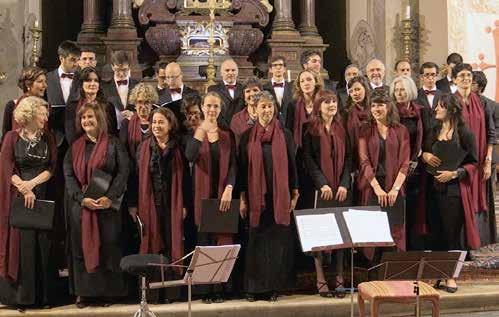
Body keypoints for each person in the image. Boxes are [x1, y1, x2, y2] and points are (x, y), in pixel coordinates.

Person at [64, 102, 129, 308]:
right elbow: (68, 175)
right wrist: (80, 198)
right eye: (83, 118)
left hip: (107, 207)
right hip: (82, 207)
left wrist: (110, 197)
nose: (86, 121)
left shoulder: (113, 143)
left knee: (108, 247)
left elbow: (123, 171)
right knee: (81, 249)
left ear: (99, 118)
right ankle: (85, 293)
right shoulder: (74, 147)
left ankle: (107, 292)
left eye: (90, 117)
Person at [239, 91, 299, 302]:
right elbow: (241, 169)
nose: (266, 110)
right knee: (255, 242)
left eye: (270, 106)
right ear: (254, 110)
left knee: (275, 244)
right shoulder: (246, 137)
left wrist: (294, 192)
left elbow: (293, 166)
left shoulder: (286, 135)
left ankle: (273, 287)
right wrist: (243, 198)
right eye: (262, 106)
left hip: (279, 197)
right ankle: (253, 288)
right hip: (256, 199)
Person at [0, 97, 57, 311]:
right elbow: (6, 167)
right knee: (21, 246)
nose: (46, 117)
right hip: (17, 195)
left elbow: (51, 167)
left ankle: (42, 297)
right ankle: (21, 297)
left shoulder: (48, 137)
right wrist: (23, 188)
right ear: (31, 114)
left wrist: (31, 185)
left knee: (41, 244)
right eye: (43, 113)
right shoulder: (11, 137)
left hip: (40, 192)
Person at [132, 107, 191, 304]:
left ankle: (172, 293)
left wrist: (185, 205)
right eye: (154, 122)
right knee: (154, 246)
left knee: (171, 244)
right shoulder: (144, 147)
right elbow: (135, 177)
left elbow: (187, 180)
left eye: (160, 122)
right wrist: (133, 205)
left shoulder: (179, 147)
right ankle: (154, 293)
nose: (156, 126)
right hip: (150, 204)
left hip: (173, 204)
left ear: (170, 125)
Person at [184, 91, 237, 303]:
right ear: (202, 107)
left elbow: (233, 163)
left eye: (215, 106)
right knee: (204, 243)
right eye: (208, 106)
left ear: (220, 108)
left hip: (222, 195)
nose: (212, 110)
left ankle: (220, 289)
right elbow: (190, 155)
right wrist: (200, 132)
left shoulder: (227, 134)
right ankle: (206, 290)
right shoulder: (194, 133)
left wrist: (230, 187)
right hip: (201, 197)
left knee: (221, 242)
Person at [424, 93, 479, 292]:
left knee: (451, 234)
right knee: (435, 233)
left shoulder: (465, 133)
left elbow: (474, 163)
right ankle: (437, 274)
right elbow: (424, 151)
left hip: (453, 191)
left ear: (451, 110)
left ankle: (451, 276)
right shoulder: (434, 129)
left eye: (440, 106)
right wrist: (426, 155)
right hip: (432, 189)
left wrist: (455, 173)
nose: (436, 109)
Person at [302, 90, 351, 298]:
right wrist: (322, 183)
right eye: (326, 102)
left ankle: (339, 278)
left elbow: (349, 159)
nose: (331, 105)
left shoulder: (342, 128)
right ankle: (321, 278)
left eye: (333, 101)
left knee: (341, 234)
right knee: (320, 234)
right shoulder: (309, 128)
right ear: (318, 106)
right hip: (319, 190)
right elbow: (308, 160)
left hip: (340, 190)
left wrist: (344, 184)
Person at [357, 89, 410, 252]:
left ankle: (392, 273)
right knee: (374, 232)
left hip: (395, 185)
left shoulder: (401, 130)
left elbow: (405, 163)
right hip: (372, 186)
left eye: (380, 105)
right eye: (373, 105)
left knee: (394, 232)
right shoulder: (365, 130)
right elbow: (364, 162)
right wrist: (378, 189)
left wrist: (395, 189)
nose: (376, 109)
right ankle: (374, 272)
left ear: (388, 107)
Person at [452, 63, 496, 246]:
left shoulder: (482, 102)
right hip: (459, 162)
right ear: (454, 79)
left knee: (479, 198)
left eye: (468, 75)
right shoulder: (450, 100)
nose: (465, 79)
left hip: (480, 161)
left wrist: (487, 161)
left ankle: (480, 240)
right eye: (461, 75)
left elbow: (491, 132)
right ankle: (465, 242)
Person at [120, 83, 158, 256]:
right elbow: (122, 155)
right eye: (140, 102)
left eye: (147, 103)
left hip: (156, 182)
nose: (143, 107)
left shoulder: (158, 122)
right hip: (134, 181)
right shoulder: (128, 125)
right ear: (134, 104)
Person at [390, 75, 428, 249]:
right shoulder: (390, 112)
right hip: (395, 166)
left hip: (416, 167)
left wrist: (417, 159)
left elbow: (426, 137)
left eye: (402, 89)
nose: (399, 93)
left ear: (410, 90)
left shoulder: (420, 111)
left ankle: (413, 246)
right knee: (397, 209)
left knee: (414, 208)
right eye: (396, 90)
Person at [286, 69, 323, 209]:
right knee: (303, 198)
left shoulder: (323, 103)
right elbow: (288, 132)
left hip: (320, 155)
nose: (306, 83)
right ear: (298, 85)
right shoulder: (293, 105)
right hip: (300, 156)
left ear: (316, 81)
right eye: (302, 81)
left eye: (309, 79)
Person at [65, 67, 118, 145]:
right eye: (88, 80)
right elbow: (71, 136)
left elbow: (112, 133)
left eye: (96, 80)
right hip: (80, 149)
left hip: (105, 148)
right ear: (81, 84)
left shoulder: (108, 106)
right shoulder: (72, 107)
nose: (93, 84)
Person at [45, 40, 81, 145]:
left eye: (78, 60)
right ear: (61, 58)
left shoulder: (83, 79)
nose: (76, 64)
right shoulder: (47, 79)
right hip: (54, 137)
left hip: (77, 136)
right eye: (72, 60)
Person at [2, 66, 47, 139]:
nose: (45, 85)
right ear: (28, 84)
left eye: (45, 81)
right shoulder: (12, 105)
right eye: (40, 81)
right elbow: (5, 136)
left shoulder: (46, 106)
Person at [101, 50, 138, 130]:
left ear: (130, 67)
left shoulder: (138, 85)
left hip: (133, 130)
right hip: (111, 131)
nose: (121, 74)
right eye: (117, 70)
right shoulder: (104, 87)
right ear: (112, 66)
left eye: (124, 70)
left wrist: (133, 115)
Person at [208, 59, 244, 128]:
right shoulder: (213, 89)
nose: (230, 73)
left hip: (240, 129)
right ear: (221, 73)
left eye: (233, 70)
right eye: (227, 70)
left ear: (237, 72)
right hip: (220, 128)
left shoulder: (244, 89)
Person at [230, 77, 261, 146]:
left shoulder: (268, 115)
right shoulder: (237, 119)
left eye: (255, 90)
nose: (252, 94)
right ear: (244, 96)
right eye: (248, 91)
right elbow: (235, 145)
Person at [263, 56, 294, 125]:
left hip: (289, 126)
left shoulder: (292, 88)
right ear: (270, 69)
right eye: (275, 65)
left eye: (281, 65)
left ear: (285, 69)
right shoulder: (264, 88)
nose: (278, 68)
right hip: (271, 126)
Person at [344, 75, 371, 154]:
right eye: (351, 91)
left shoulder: (375, 109)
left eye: (357, 89)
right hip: (354, 155)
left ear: (365, 88)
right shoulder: (346, 113)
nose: (355, 93)